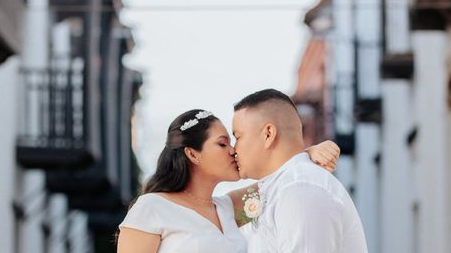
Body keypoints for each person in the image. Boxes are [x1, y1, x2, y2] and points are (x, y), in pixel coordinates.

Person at [117, 108, 340, 253]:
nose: (233, 151)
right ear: (193, 154)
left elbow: (278, 184)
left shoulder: (229, 209)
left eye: (232, 142)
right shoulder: (152, 208)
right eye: (222, 144)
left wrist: (308, 153)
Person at [233, 89, 368, 253]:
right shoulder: (275, 188)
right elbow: (213, 210)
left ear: (268, 134)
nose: (233, 150)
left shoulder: (299, 187)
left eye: (237, 137)